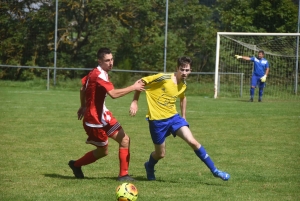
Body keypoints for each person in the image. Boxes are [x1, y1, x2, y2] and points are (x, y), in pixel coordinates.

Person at [129, 56, 230, 181]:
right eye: (182, 70)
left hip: (174, 118)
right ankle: (149, 166)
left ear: (191, 70)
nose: (184, 73)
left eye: (187, 70)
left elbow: (183, 98)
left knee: (193, 142)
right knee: (160, 154)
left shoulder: (183, 85)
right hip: (157, 121)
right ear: (177, 68)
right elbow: (140, 82)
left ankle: (215, 171)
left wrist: (184, 117)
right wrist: (135, 102)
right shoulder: (163, 78)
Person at [68, 47, 144, 181]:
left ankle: (123, 175)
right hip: (94, 121)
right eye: (107, 61)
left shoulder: (95, 72)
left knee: (125, 139)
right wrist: (134, 87)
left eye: (112, 59)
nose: (111, 63)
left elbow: (82, 89)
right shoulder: (98, 75)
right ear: (100, 61)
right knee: (103, 152)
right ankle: (75, 165)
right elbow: (113, 94)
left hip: (103, 115)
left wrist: (83, 105)